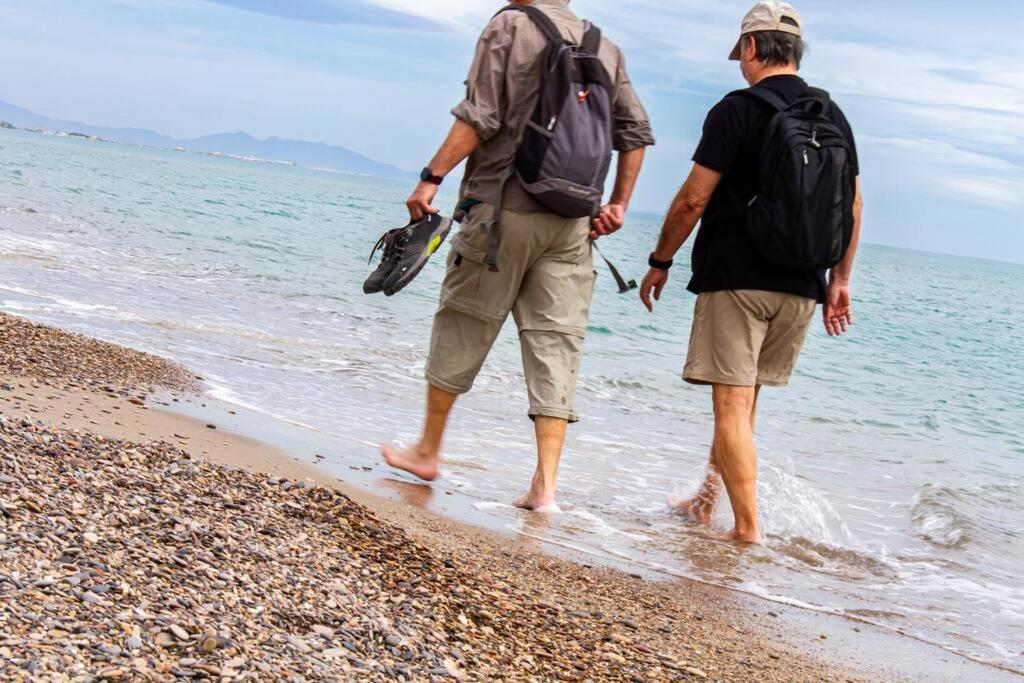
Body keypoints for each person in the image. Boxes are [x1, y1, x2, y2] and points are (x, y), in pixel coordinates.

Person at [381, 0, 655, 511]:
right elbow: (635, 134)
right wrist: (618, 203)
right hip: (574, 223)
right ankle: (545, 487)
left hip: (503, 208)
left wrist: (431, 176)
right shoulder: (605, 46)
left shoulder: (509, 26)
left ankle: (427, 451)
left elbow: (480, 118)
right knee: (557, 343)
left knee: (465, 320)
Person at [639, 0, 863, 543]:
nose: (741, 62)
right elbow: (852, 207)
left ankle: (747, 529)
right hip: (803, 283)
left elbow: (694, 198)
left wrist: (660, 261)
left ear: (754, 48)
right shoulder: (832, 116)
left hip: (738, 277)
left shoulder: (736, 109)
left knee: (732, 405)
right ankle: (706, 502)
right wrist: (839, 281)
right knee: (745, 405)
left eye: (742, 51)